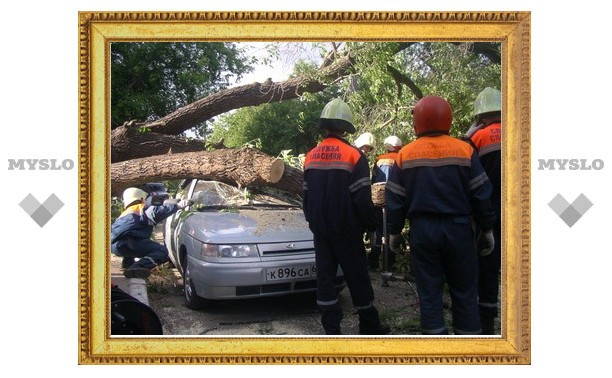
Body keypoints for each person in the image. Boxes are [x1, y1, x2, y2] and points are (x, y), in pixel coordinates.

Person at [385, 95, 496, 335]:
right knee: (465, 290)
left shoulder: (405, 154)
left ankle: (436, 350)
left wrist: (394, 232)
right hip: (459, 230)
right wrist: (486, 228)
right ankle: (468, 350)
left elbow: (395, 199)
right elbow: (480, 194)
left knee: (429, 292)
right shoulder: (464, 150)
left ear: (418, 122)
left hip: (423, 232)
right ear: (447, 119)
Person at [303, 98, 390, 335]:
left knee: (325, 280)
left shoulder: (311, 156)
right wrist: (370, 225)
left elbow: (306, 195)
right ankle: (369, 326)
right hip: (347, 230)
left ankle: (331, 329)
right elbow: (361, 199)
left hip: (321, 231)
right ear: (345, 128)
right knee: (357, 278)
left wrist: (313, 222)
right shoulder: (353, 156)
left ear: (325, 126)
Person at [465, 87, 502, 334]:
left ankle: (486, 322)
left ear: (480, 116)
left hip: (488, 211)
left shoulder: (478, 138)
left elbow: (465, 171)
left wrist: (467, 136)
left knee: (487, 266)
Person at [111, 187, 192, 279]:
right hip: (129, 243)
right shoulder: (142, 208)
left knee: (134, 239)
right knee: (161, 251)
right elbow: (157, 212)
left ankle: (127, 264)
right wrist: (177, 206)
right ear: (142, 199)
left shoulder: (127, 212)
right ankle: (137, 267)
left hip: (115, 246)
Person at [368, 135, 403, 271]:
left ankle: (373, 262)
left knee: (378, 231)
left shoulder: (379, 159)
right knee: (392, 231)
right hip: (395, 201)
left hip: (379, 199)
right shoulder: (401, 158)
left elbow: (374, 180)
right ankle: (390, 264)